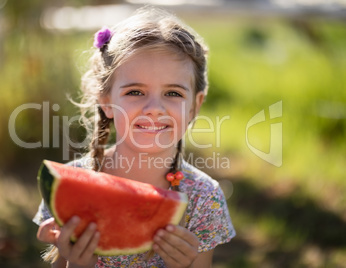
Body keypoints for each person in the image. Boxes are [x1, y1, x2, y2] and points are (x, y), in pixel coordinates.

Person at [33, 6, 235, 268]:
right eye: (135, 92)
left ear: (195, 106)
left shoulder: (203, 198)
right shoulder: (69, 184)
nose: (154, 108)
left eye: (173, 93)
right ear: (106, 101)